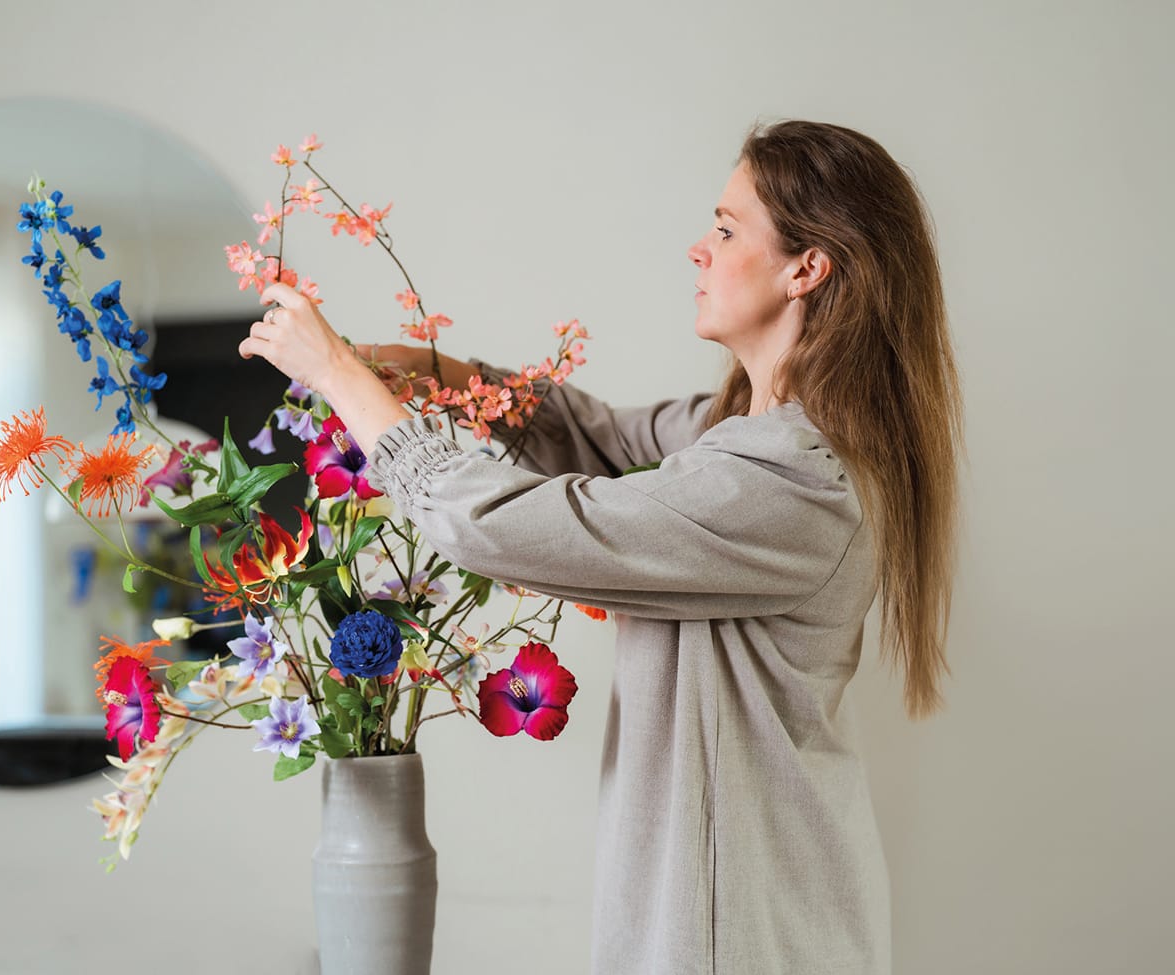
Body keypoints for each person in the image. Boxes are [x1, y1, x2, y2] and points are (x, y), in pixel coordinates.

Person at [239, 119, 963, 974]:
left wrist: (342, 379)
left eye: (728, 229)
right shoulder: (741, 431)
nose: (699, 248)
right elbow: (602, 435)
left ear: (807, 268)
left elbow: (493, 523)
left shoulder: (790, 481)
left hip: (743, 931)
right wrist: (434, 374)